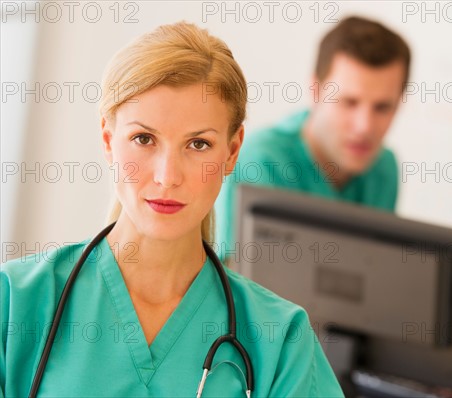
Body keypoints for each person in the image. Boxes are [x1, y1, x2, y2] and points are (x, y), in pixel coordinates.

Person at [0, 22, 344, 398]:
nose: (167, 177)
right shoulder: (15, 302)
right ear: (108, 140)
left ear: (232, 151)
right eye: (143, 139)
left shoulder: (280, 341)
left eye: (198, 144)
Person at [214, 16, 410, 260]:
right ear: (316, 91)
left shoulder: (385, 168)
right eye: (349, 102)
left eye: (382, 107)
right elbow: (235, 284)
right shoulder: (261, 160)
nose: (364, 127)